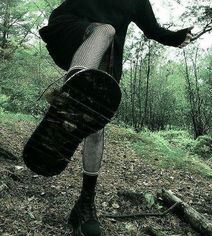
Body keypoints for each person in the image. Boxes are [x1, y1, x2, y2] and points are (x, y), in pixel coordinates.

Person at [39, 0, 193, 235]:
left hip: (106, 58)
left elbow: (154, 31)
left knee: (95, 127)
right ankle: (74, 91)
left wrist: (179, 37)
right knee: (105, 30)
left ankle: (85, 204)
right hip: (72, 32)